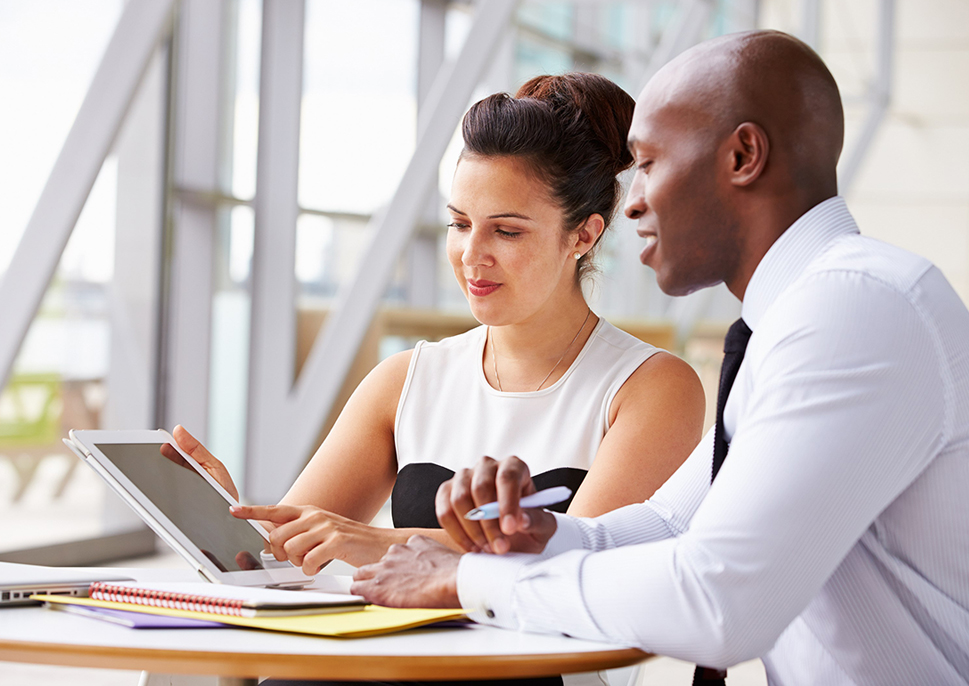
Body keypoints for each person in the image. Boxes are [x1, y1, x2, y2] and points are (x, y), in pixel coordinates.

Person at [350, 30, 969, 686]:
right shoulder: (801, 314)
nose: (634, 201)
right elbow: (671, 524)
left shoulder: (852, 309)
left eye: (648, 162)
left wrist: (468, 578)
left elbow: (719, 601)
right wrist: (533, 537)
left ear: (742, 155)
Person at [171, 73, 704, 579]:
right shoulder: (406, 380)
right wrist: (223, 516)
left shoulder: (652, 388)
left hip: (539, 668)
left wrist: (377, 543)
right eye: (460, 223)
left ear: (584, 236)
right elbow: (287, 555)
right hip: (397, 657)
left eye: (507, 232)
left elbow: (579, 563)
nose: (472, 255)